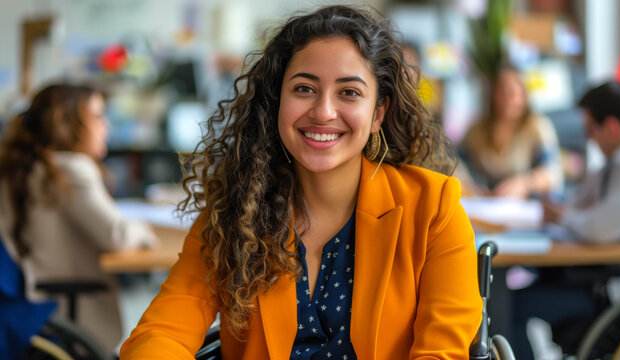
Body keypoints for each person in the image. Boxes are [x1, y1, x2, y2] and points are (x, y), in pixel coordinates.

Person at [120, 5, 481, 359]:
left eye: (349, 92)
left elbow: (442, 353)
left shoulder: (434, 209)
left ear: (378, 113)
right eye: (304, 89)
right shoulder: (235, 211)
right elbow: (161, 333)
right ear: (278, 101)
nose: (323, 111)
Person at [0, 84, 157, 352]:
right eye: (97, 116)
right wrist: (144, 228)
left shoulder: (23, 164)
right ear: (68, 122)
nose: (106, 125)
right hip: (64, 308)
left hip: (28, 304)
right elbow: (117, 237)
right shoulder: (73, 168)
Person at [512, 80, 620, 359]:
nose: (589, 138)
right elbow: (579, 203)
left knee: (513, 305)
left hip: (619, 292)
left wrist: (562, 216)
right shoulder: (615, 161)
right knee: (520, 292)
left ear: (612, 126)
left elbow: (599, 227)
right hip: (599, 277)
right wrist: (563, 212)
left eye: (590, 129)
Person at [458, 67, 563, 198]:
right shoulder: (477, 130)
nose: (509, 98)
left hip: (525, 206)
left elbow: (553, 174)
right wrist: (469, 185)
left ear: (524, 95)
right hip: (486, 204)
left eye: (513, 92)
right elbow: (456, 163)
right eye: (502, 91)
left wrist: (525, 184)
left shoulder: (537, 127)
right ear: (492, 95)